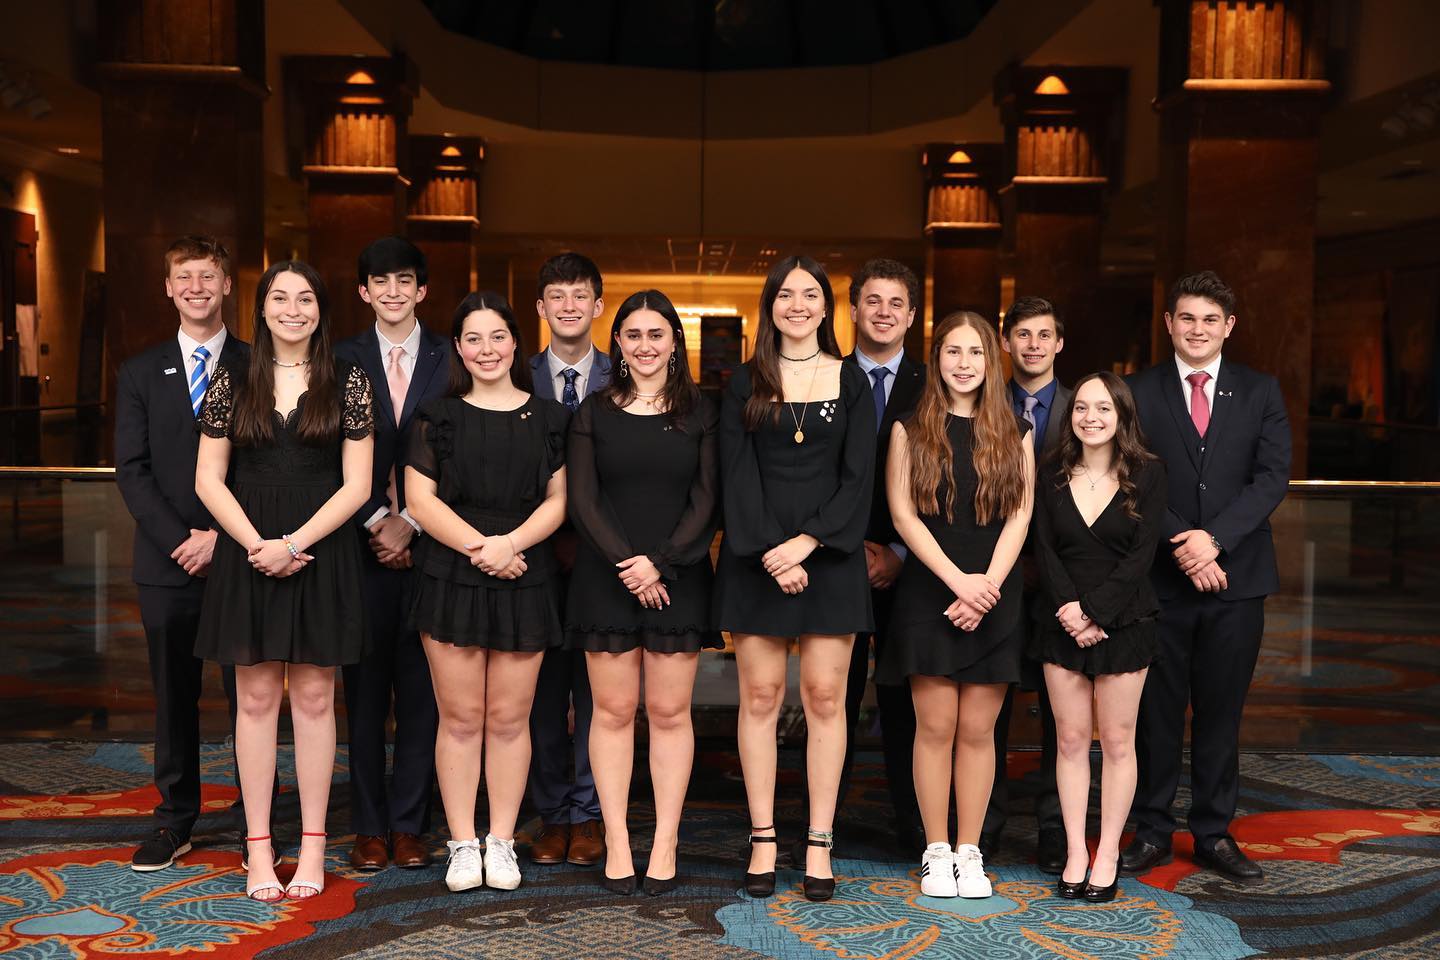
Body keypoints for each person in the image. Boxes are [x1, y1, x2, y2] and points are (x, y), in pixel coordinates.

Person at [194, 260, 375, 902]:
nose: (292, 309)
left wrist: (294, 545)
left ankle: (315, 845)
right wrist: (258, 546)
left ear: (321, 310)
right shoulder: (232, 377)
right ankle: (259, 847)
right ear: (262, 307)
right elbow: (208, 478)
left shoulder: (348, 379)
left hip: (320, 549)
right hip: (249, 549)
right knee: (254, 700)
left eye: (305, 298)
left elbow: (358, 484)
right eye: (280, 298)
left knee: (317, 700)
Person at [715, 255, 876, 903]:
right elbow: (735, 475)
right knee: (759, 698)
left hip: (829, 559)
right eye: (786, 294)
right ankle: (762, 838)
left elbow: (858, 478)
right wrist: (770, 552)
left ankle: (818, 841)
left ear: (826, 307)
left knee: (825, 699)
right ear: (770, 305)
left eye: (811, 294)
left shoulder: (851, 380)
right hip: (756, 560)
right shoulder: (744, 380)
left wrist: (807, 544)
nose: (798, 305)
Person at [1121, 271, 1290, 885]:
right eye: (1187, 318)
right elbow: (1128, 473)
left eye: (1210, 320)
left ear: (1229, 327)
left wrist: (1213, 541)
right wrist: (1184, 543)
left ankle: (1214, 832)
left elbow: (1272, 477)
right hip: (1160, 582)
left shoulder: (1260, 390)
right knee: (1156, 713)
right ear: (1169, 323)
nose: (1198, 330)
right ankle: (1152, 830)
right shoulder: (1136, 391)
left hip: (1236, 581)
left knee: (1221, 712)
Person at [405, 292, 569, 894]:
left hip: (525, 573)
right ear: (458, 347)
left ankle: (500, 840)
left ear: (515, 342)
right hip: (451, 573)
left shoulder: (550, 417)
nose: (487, 349)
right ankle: (461, 843)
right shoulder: (436, 415)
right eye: (473, 339)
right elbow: (419, 501)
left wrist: (510, 545)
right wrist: (483, 549)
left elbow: (560, 500)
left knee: (508, 717)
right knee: (460, 717)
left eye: (497, 336)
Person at [566, 289, 721, 896]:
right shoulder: (593, 412)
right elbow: (583, 499)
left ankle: (665, 841)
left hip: (678, 578)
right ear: (618, 343)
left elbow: (708, 500)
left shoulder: (702, 412)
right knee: (609, 713)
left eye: (657, 334)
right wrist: (629, 565)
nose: (645, 345)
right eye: (633, 334)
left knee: (669, 713)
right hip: (605, 579)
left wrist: (659, 563)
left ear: (675, 342)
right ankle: (616, 840)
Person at [876, 310, 1034, 901]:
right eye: (952, 352)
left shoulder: (1017, 430)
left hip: (995, 594)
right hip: (930, 593)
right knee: (935, 727)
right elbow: (902, 515)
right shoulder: (908, 428)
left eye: (975, 353)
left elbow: (1020, 515)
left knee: (978, 731)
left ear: (991, 361)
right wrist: (957, 582)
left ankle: (971, 851)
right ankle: (936, 850)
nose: (964, 364)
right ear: (936, 357)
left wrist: (986, 586)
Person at [115, 236, 251, 872]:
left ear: (227, 286)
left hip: (242, 556)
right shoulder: (140, 372)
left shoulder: (258, 365)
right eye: (184, 278)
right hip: (166, 563)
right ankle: (174, 820)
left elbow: (268, 466)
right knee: (174, 698)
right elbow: (132, 470)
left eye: (208, 276)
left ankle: (256, 821)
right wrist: (181, 541)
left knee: (251, 696)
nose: (196, 287)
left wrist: (222, 536)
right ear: (168, 288)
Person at [334, 237, 448, 873]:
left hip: (434, 549)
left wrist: (414, 523)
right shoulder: (339, 358)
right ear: (364, 292)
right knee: (366, 693)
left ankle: (409, 825)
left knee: (424, 692)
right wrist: (380, 521)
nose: (394, 291)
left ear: (421, 290)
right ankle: (368, 826)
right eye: (381, 281)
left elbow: (463, 449)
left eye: (405, 280)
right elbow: (325, 453)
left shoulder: (451, 356)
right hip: (360, 549)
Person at [1030, 371, 1165, 903]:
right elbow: (1043, 549)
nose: (1091, 417)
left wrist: (1095, 612)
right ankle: (1075, 851)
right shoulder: (1050, 473)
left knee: (1115, 741)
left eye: (1104, 408)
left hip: (1125, 621)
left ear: (1122, 415)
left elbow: (1142, 556)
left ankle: (1107, 851)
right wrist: (1071, 611)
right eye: (1082, 407)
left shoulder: (1148, 474)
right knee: (1068, 741)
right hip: (1060, 619)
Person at [834, 258, 926, 857]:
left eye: (896, 303)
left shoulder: (935, 383)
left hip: (912, 568)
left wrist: (898, 553)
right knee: (831, 702)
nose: (884, 312)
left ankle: (914, 825)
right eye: (873, 300)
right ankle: (823, 824)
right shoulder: (824, 377)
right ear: (853, 310)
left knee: (906, 702)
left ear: (911, 315)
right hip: (835, 564)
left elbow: (946, 483)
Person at [525, 252, 611, 869]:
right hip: (529, 557)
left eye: (580, 295)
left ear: (598, 305)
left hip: (604, 560)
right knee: (540, 693)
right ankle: (552, 814)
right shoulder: (514, 369)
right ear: (541, 308)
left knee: (600, 695)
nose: (569, 306)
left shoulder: (628, 371)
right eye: (557, 296)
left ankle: (590, 814)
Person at [984, 296, 1071, 871]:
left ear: (1059, 343)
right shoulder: (983, 403)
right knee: (990, 703)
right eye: (1023, 335)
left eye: (1044, 335)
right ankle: (985, 823)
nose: (1034, 345)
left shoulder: (1085, 406)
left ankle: (1053, 826)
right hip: (996, 575)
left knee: (1062, 713)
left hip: (1064, 581)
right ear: (1006, 342)